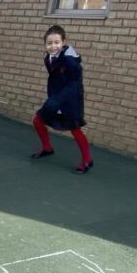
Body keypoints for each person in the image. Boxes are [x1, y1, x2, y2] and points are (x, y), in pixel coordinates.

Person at [30, 24, 93, 173]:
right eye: (49, 43)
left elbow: (76, 78)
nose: (53, 46)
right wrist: (54, 97)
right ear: (45, 45)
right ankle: (47, 148)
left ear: (63, 42)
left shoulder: (69, 59)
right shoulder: (48, 58)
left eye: (57, 42)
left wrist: (60, 99)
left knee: (75, 129)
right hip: (56, 97)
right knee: (37, 120)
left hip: (70, 99)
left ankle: (87, 160)